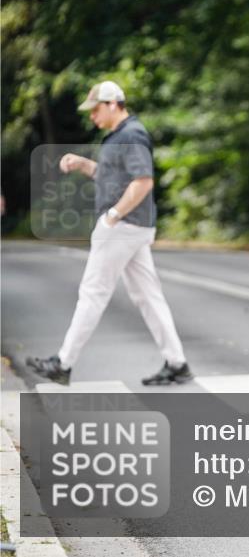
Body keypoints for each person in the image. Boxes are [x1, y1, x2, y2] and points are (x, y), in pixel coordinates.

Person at [26, 81, 193, 386]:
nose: (92, 116)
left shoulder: (131, 135)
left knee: (92, 293)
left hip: (123, 227)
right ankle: (177, 363)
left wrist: (113, 217)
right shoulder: (119, 137)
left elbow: (143, 182)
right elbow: (111, 176)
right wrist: (82, 164)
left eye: (96, 109)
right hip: (133, 227)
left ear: (114, 103)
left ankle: (63, 363)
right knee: (148, 297)